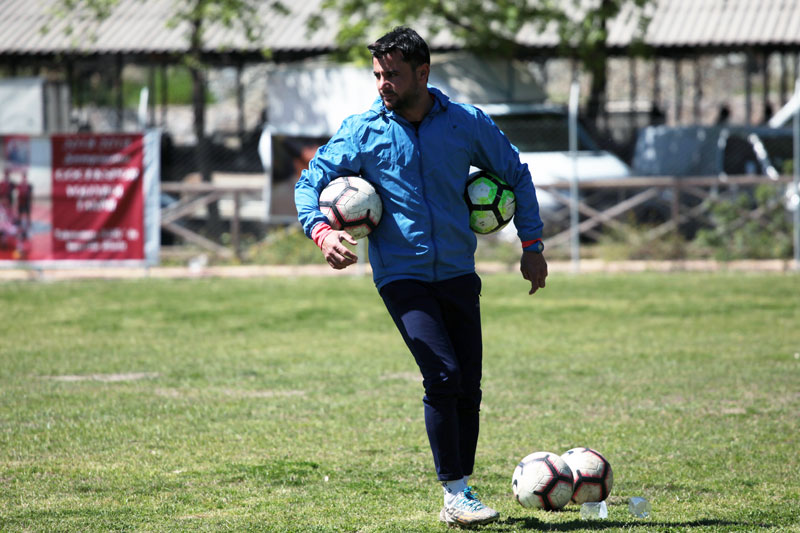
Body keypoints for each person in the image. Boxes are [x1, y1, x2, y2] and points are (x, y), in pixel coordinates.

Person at [294, 26, 547, 528]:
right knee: (443, 374)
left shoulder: (465, 123)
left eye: (392, 74)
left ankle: (463, 488)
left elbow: (515, 172)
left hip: (457, 272)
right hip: (401, 275)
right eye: (378, 75)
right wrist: (322, 232)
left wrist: (532, 244)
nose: (383, 83)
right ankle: (453, 491)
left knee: (469, 387)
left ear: (422, 73)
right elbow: (310, 182)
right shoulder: (363, 130)